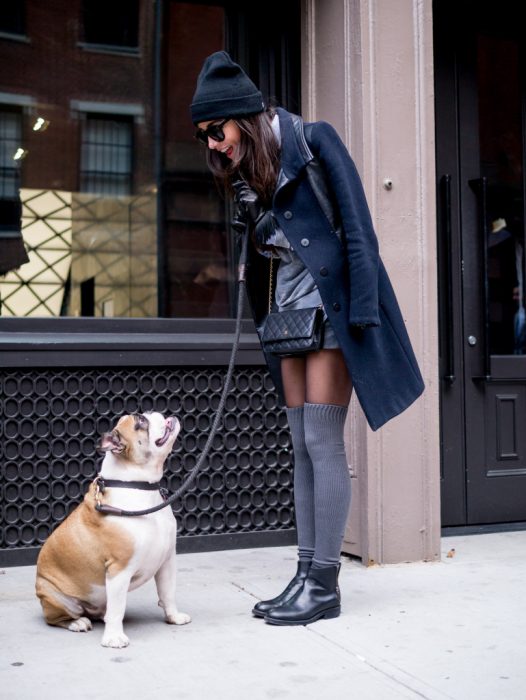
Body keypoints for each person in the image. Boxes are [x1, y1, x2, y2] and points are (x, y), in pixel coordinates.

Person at [190, 51, 425, 626]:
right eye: (205, 137)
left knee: (323, 442)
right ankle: (304, 572)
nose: (213, 145)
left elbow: (359, 229)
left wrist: (364, 316)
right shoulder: (251, 169)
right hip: (286, 313)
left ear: (242, 117)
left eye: (216, 132)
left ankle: (324, 584)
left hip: (333, 308)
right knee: (298, 445)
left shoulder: (314, 140)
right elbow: (272, 252)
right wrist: (254, 211)